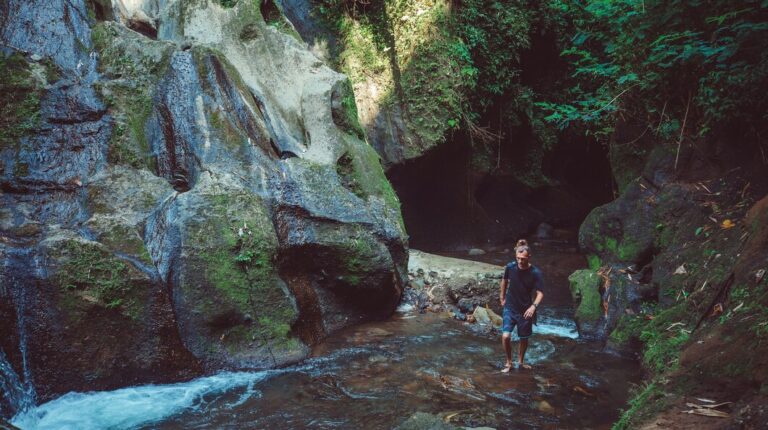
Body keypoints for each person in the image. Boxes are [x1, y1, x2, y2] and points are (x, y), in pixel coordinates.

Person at [500, 239, 544, 372]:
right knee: (506, 336)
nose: (520, 261)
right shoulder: (510, 267)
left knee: (523, 338)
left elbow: (540, 293)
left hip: (525, 309)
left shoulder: (535, 273)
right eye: (518, 258)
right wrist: (502, 297)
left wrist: (533, 307)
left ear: (529, 257)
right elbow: (504, 280)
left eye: (523, 259)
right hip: (510, 307)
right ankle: (509, 362)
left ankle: (520, 362)